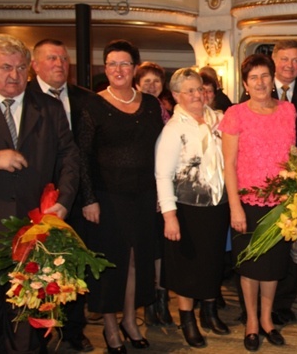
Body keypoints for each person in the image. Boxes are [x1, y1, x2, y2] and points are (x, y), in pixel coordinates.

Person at [0, 33, 79, 353]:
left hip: (34, 231)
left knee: (28, 315)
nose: (14, 76)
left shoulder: (49, 107)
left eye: (21, 68)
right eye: (5, 67)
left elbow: (69, 157)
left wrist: (64, 202)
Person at [78, 40, 164, 353]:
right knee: (110, 264)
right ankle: (111, 327)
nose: (118, 69)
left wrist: (160, 193)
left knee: (135, 262)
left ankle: (130, 320)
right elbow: (82, 155)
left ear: (135, 68)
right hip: (106, 197)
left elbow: (160, 152)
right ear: (105, 68)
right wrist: (88, 199)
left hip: (142, 196)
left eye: (125, 64)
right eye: (112, 64)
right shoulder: (92, 105)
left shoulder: (151, 104)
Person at [220, 54, 296, 351]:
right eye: (254, 78)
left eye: (265, 76)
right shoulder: (235, 114)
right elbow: (228, 164)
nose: (261, 82)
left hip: (281, 203)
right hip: (247, 203)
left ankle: (267, 319)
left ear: (272, 78)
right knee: (250, 266)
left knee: (273, 265)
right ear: (245, 84)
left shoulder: (288, 111)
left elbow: (293, 155)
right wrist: (234, 206)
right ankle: (251, 320)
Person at [241, 40, 297, 324]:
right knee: (253, 254)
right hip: (253, 190)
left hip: (293, 185)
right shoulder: (254, 92)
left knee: (284, 251)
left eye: (296, 60)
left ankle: (281, 305)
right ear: (274, 61)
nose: (290, 65)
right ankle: (250, 312)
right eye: (284, 59)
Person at [155, 68, 230, 348]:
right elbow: (162, 176)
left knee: (212, 263)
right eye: (190, 91)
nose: (198, 95)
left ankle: (210, 312)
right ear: (176, 95)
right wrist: (169, 217)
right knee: (186, 269)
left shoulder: (219, 120)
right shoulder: (174, 129)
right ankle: (187, 319)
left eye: (200, 89)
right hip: (186, 209)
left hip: (216, 206)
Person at [29, 38, 94, 352]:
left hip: (76, 198)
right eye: (51, 58)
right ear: (35, 65)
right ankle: (37, 332)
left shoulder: (85, 99)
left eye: (64, 59)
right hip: (33, 201)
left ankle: (73, 330)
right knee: (36, 269)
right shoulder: (23, 99)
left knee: (74, 266)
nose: (59, 64)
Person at [133, 60, 174, 328]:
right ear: (137, 83)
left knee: (161, 250)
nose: (151, 85)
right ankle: (146, 302)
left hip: (161, 190)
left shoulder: (166, 112)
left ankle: (161, 301)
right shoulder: (131, 108)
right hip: (136, 189)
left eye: (156, 81)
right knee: (142, 249)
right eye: (146, 81)